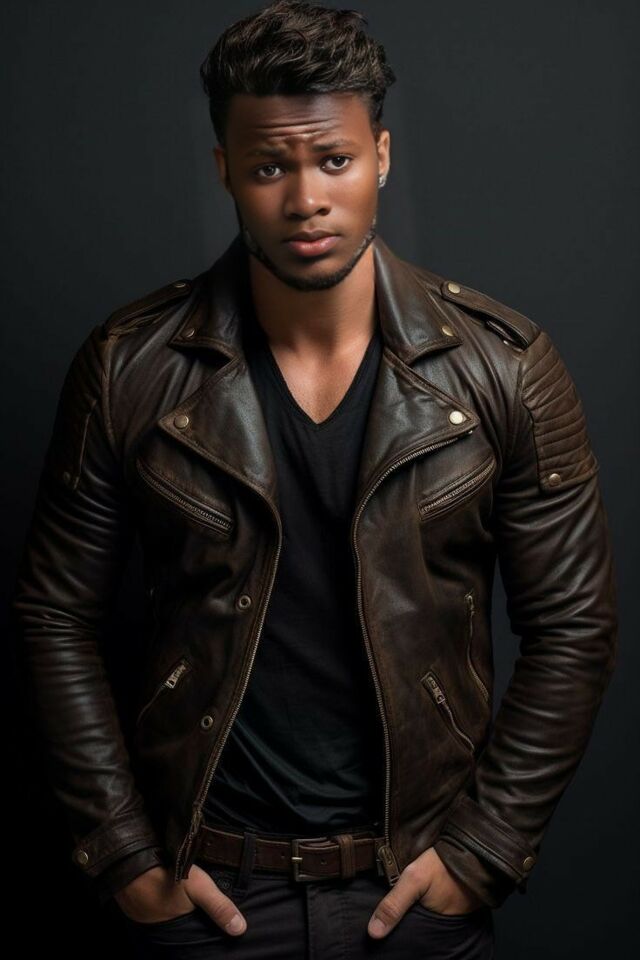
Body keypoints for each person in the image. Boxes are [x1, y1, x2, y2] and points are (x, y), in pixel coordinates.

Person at [12, 1, 618, 957]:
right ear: (225, 171)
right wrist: (124, 854)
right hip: (206, 895)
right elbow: (53, 614)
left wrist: (484, 850)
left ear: (381, 155)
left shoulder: (504, 368)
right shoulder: (130, 367)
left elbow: (574, 625)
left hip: (414, 895)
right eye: (269, 168)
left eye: (334, 159)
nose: (305, 199)